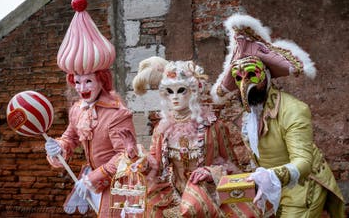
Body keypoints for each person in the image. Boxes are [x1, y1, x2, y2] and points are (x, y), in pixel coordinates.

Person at [211, 13, 345, 217]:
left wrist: (271, 176)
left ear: (266, 74)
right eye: (238, 77)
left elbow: (303, 162)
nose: (244, 83)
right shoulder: (249, 114)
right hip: (273, 190)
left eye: (251, 74)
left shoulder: (293, 109)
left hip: (303, 187)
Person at [132, 56, 264, 217]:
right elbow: (156, 167)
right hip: (174, 197)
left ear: (194, 92)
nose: (175, 97)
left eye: (181, 90)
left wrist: (211, 172)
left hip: (209, 198)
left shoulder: (214, 127)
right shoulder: (162, 129)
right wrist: (139, 159)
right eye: (169, 91)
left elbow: (233, 167)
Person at [44, 0, 138, 217]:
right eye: (77, 82)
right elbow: (70, 137)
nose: (81, 87)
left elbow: (126, 155)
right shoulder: (78, 109)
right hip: (91, 182)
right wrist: (58, 147)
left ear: (102, 80)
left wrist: (93, 179)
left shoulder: (117, 113)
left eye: (88, 81)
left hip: (118, 185)